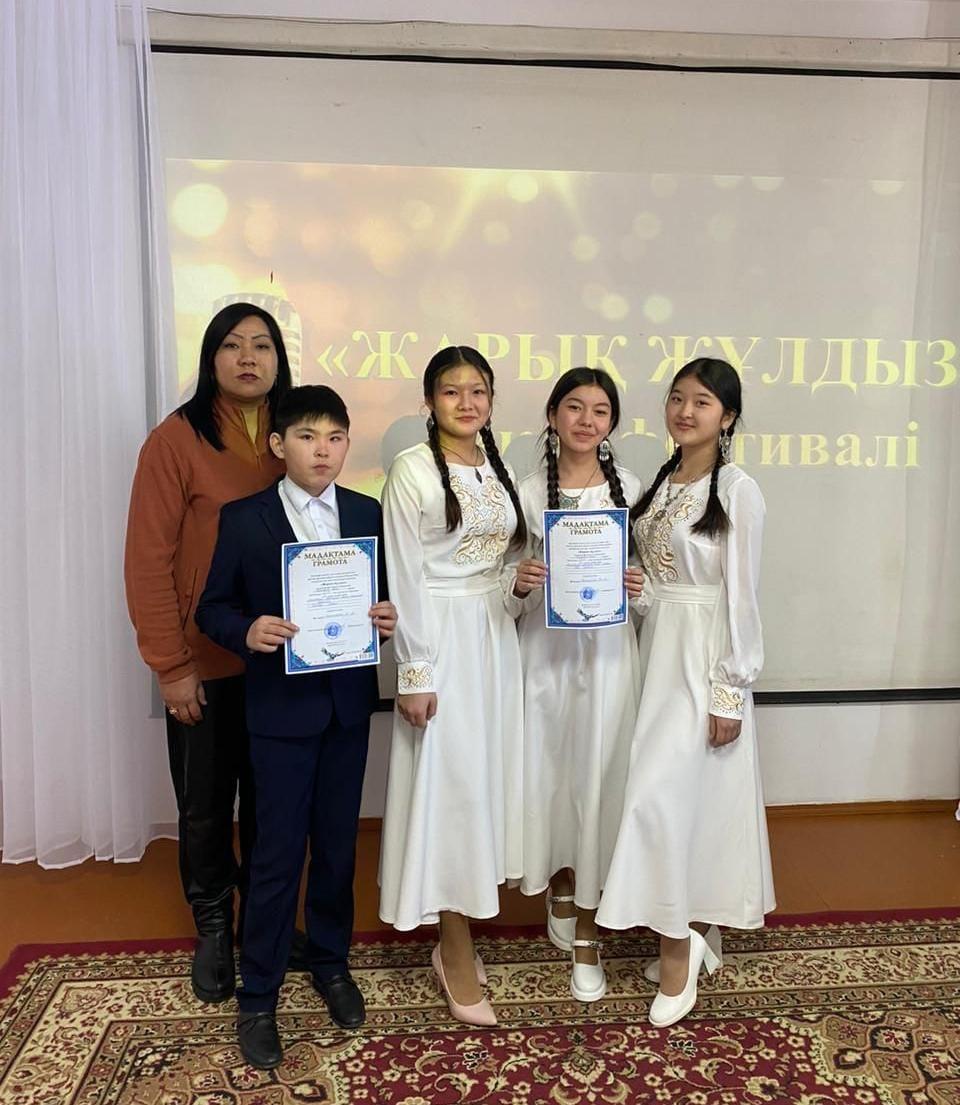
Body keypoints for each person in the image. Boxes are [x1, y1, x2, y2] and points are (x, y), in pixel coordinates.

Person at [195, 385, 396, 1069]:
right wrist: (246, 629)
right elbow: (212, 608)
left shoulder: (366, 512)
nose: (323, 450)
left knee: (337, 848)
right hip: (279, 714)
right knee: (277, 856)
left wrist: (385, 620)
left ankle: (332, 963)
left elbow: (379, 598)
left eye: (335, 437)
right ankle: (259, 995)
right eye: (308, 436)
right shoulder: (244, 518)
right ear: (279, 444)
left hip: (346, 708)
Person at [596, 357, 776, 1027]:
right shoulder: (664, 482)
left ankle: (678, 954)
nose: (685, 411)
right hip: (657, 651)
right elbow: (660, 578)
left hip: (702, 659)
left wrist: (730, 688)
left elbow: (741, 596)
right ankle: (693, 932)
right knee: (674, 800)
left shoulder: (737, 489)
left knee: (663, 799)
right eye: (677, 398)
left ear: (727, 417)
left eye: (702, 401)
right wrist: (638, 592)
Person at [125, 303, 290, 1003]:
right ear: (210, 357)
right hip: (205, 660)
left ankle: (264, 921)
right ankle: (214, 925)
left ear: (280, 359)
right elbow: (147, 559)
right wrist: (171, 665)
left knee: (272, 801)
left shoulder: (294, 436)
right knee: (205, 805)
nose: (248, 357)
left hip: (281, 660)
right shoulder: (175, 440)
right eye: (232, 345)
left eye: (262, 345)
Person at [378, 345, 526, 1027]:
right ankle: (454, 946)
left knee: (482, 784)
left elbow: (503, 561)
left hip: (493, 641)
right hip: (440, 642)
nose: (466, 403)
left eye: (478, 391)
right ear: (428, 400)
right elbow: (405, 576)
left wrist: (518, 585)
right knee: (450, 789)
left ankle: (460, 931)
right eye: (451, 391)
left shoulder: (497, 467)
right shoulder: (411, 471)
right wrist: (415, 671)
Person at [507, 367, 644, 1003]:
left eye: (600, 410)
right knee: (550, 773)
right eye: (574, 407)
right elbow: (504, 577)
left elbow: (651, 574)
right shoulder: (526, 491)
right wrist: (520, 581)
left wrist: (638, 586)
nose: (587, 421)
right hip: (546, 652)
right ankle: (560, 880)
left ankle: (589, 930)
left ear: (611, 422)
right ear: (552, 416)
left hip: (609, 656)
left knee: (598, 777)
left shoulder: (633, 488)